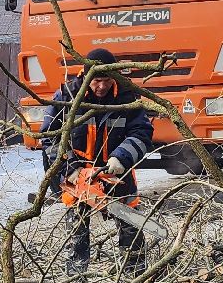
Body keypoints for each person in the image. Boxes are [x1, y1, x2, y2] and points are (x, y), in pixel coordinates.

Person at [41, 48, 154, 271]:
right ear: (85, 77)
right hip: (79, 174)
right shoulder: (66, 97)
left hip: (115, 172)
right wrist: (70, 168)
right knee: (76, 232)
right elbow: (50, 137)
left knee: (131, 226)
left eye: (106, 80)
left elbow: (142, 132)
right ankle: (76, 282)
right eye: (96, 81)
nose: (101, 86)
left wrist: (120, 158)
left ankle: (136, 278)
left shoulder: (127, 97)